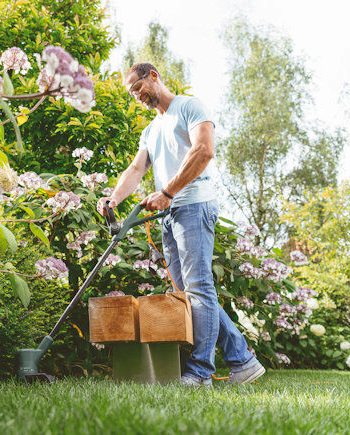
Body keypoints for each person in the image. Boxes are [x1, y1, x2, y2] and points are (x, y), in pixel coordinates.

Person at [97, 62, 265, 387]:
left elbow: (204, 150)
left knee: (199, 288)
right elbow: (136, 169)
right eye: (132, 92)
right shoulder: (151, 129)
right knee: (189, 292)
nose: (137, 96)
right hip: (169, 214)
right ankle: (243, 361)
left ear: (154, 77)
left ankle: (201, 372)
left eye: (138, 87)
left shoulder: (190, 106)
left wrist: (167, 192)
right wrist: (113, 200)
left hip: (193, 205)